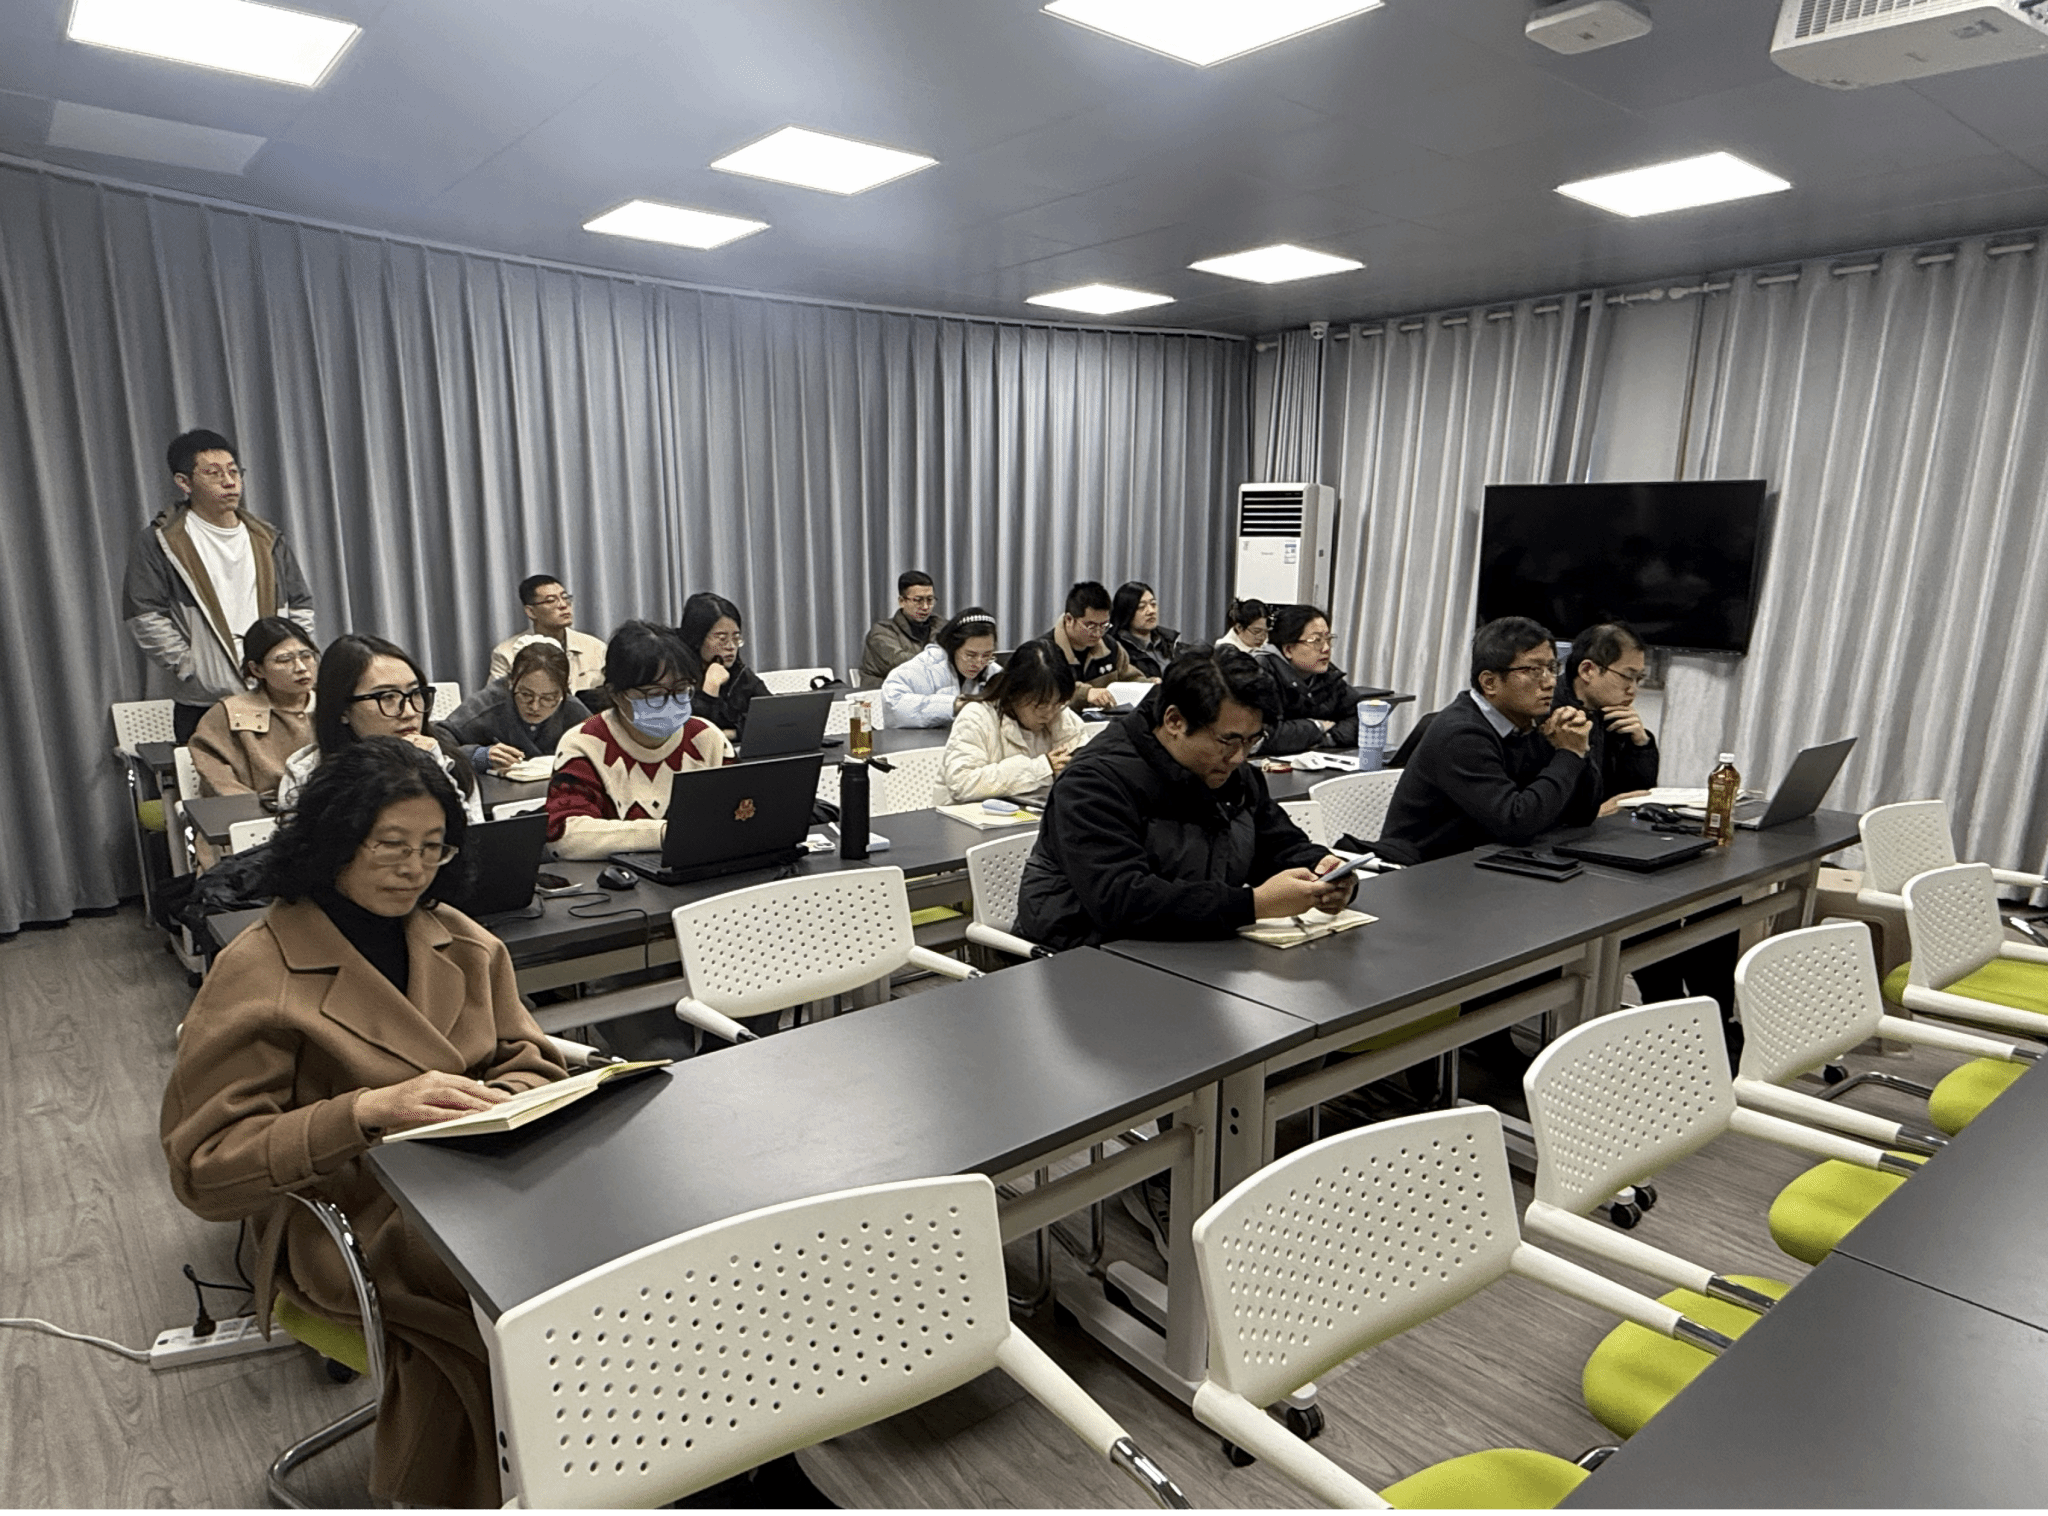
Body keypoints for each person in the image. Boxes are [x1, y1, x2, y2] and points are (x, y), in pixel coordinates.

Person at [161, 737, 565, 1509]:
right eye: (391, 845)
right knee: (518, 1312)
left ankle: (624, 1457)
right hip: (351, 1215)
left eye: (433, 848)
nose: (414, 869)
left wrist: (500, 1101)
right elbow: (206, 1169)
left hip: (481, 1184)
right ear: (334, 841)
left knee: (606, 1262)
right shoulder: (259, 968)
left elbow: (530, 1058)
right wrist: (363, 1112)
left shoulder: (463, 941)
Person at [1015, 648, 1355, 950]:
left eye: (1252, 741)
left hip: (1191, 949)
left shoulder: (1232, 773)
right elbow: (1122, 901)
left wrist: (1325, 871)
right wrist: (1254, 904)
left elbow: (1276, 843)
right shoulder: (1093, 783)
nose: (1239, 756)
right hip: (1086, 957)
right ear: (1175, 721)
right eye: (1228, 741)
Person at [122, 428, 317, 742]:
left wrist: (290, 658)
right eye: (214, 474)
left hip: (273, 693)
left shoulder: (266, 537)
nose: (229, 482)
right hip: (204, 702)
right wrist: (189, 666)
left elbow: (300, 603)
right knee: (211, 774)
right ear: (184, 482)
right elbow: (144, 614)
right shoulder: (161, 542)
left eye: (234, 472)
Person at [1376, 617, 1594, 865]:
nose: (1550, 681)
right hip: (1424, 869)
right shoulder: (1461, 735)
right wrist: (1568, 754)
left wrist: (1579, 748)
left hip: (1486, 860)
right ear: (1489, 682)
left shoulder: (1535, 719)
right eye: (1533, 670)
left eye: (1552, 668)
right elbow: (1516, 823)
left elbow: (1582, 813)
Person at [547, 620, 733, 859]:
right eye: (655, 694)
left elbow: (738, 813)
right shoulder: (584, 744)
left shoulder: (706, 738)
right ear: (616, 694)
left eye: (680, 690)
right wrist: (665, 833)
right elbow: (564, 834)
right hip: (615, 878)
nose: (670, 702)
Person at [276, 635, 484, 823]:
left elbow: (472, 842)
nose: (409, 712)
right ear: (343, 710)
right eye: (387, 697)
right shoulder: (306, 776)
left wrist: (436, 771)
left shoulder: (448, 763)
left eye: (415, 693)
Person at [188, 616, 319, 801]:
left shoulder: (334, 705)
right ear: (257, 670)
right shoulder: (229, 713)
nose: (301, 667)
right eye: (284, 659)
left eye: (306, 656)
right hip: (256, 813)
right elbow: (219, 780)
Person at [942, 639, 1087, 805]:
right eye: (1041, 705)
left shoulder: (1062, 716)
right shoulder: (977, 717)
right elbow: (962, 783)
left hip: (1032, 815)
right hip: (971, 817)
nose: (1049, 714)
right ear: (1014, 693)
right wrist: (1041, 769)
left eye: (1058, 703)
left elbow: (1085, 775)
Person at [1555, 622, 1660, 822]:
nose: (1633, 690)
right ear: (1587, 670)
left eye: (1638, 679)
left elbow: (1636, 795)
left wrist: (1640, 744)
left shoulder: (1613, 714)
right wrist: (1591, 814)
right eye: (1627, 677)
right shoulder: (1551, 714)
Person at [442, 640, 591, 777]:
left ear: (563, 691)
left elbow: (600, 748)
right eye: (526, 695)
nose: (534, 706)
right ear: (511, 682)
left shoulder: (572, 708)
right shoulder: (488, 704)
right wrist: (478, 756)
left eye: (548, 698)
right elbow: (436, 743)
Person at [1258, 603, 1375, 757]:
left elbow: (1363, 718)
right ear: (1288, 649)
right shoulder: (1260, 675)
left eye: (1328, 639)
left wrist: (1327, 737)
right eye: (1316, 640)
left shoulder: (1327, 676)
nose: (1326, 648)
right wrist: (1317, 726)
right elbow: (1262, 735)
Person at [487, 574, 607, 693]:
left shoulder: (596, 648)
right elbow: (495, 700)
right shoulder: (506, 654)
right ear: (531, 612)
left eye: (565, 597)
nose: (563, 605)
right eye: (551, 601)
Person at [881, 608, 1000, 728]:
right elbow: (892, 703)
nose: (979, 664)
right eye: (970, 655)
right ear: (953, 647)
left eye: (987, 655)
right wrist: (952, 706)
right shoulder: (926, 665)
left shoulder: (993, 671)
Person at [676, 592, 771, 740]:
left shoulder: (740, 674)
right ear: (697, 638)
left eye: (736, 638)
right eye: (722, 638)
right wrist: (711, 687)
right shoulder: (675, 674)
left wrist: (732, 733)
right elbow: (693, 735)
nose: (731, 646)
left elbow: (773, 719)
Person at [1042, 581, 1141, 711]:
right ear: (1069, 620)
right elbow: (1045, 692)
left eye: (1104, 625)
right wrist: (1086, 693)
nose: (1098, 633)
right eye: (1091, 626)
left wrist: (1151, 685)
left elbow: (1130, 678)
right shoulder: (1043, 652)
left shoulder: (1110, 647)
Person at [859, 570, 940, 681]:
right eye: (918, 600)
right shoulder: (882, 631)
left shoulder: (940, 625)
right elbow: (904, 664)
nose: (925, 607)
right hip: (882, 689)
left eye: (930, 600)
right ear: (902, 601)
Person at [1110, 581, 1183, 680]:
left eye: (1153, 604)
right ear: (1126, 612)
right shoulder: (1114, 649)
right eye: (1141, 607)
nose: (1151, 611)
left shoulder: (1170, 641)